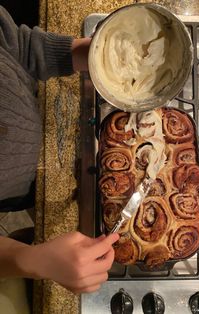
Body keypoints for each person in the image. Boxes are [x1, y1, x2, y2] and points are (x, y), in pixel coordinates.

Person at [0, 5, 119, 294]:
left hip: (26, 172)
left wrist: (93, 56)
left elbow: (18, 47)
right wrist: (29, 259)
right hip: (13, 191)